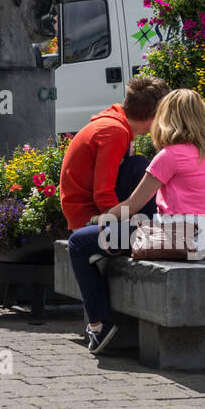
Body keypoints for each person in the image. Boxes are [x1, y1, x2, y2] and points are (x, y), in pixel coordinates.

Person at [99, 89, 205, 354]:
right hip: (202, 240)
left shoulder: (171, 155)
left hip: (178, 238)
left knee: (85, 243)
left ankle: (104, 325)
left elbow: (132, 205)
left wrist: (99, 220)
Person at [61, 74, 168, 354]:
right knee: (139, 166)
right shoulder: (115, 132)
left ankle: (142, 231)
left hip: (87, 212)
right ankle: (145, 233)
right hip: (89, 216)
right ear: (154, 115)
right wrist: (122, 227)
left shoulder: (114, 123)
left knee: (137, 164)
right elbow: (103, 194)